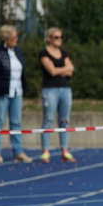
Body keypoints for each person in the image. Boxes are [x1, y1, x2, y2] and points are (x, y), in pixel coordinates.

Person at [0, 25, 31, 164]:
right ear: (6, 38)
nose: (16, 40)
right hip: (2, 92)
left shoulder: (18, 51)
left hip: (17, 91)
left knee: (16, 122)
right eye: (14, 37)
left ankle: (18, 151)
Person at [39, 27, 75, 163]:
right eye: (56, 37)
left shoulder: (64, 53)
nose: (59, 39)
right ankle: (46, 151)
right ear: (49, 38)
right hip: (50, 89)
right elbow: (52, 71)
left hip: (65, 89)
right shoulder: (44, 53)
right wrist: (64, 69)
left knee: (64, 120)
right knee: (48, 119)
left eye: (60, 37)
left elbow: (71, 70)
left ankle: (65, 150)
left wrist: (61, 70)